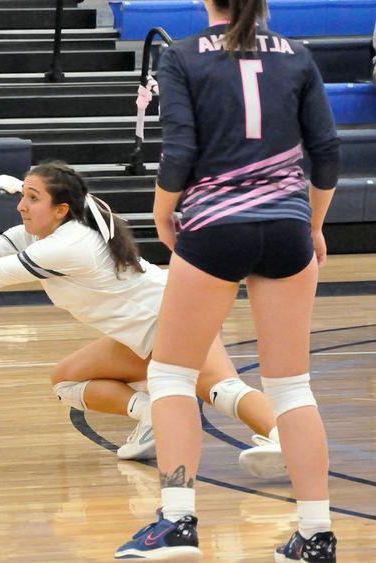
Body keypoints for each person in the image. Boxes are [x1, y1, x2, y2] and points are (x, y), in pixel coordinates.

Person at [0, 160, 285, 478]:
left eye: (32, 198)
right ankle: (153, 414)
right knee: (67, 381)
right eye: (23, 194)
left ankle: (286, 439)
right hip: (142, 332)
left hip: (175, 314)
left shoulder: (67, 246)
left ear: (61, 208)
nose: (21, 205)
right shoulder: (50, 227)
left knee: (220, 389)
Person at [113, 0, 340, 560]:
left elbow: (180, 153)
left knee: (169, 375)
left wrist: (163, 210)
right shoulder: (299, 55)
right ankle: (316, 534)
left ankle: (176, 523)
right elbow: (328, 154)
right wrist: (312, 224)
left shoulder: (182, 56)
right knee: (291, 386)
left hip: (215, 226)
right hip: (287, 226)